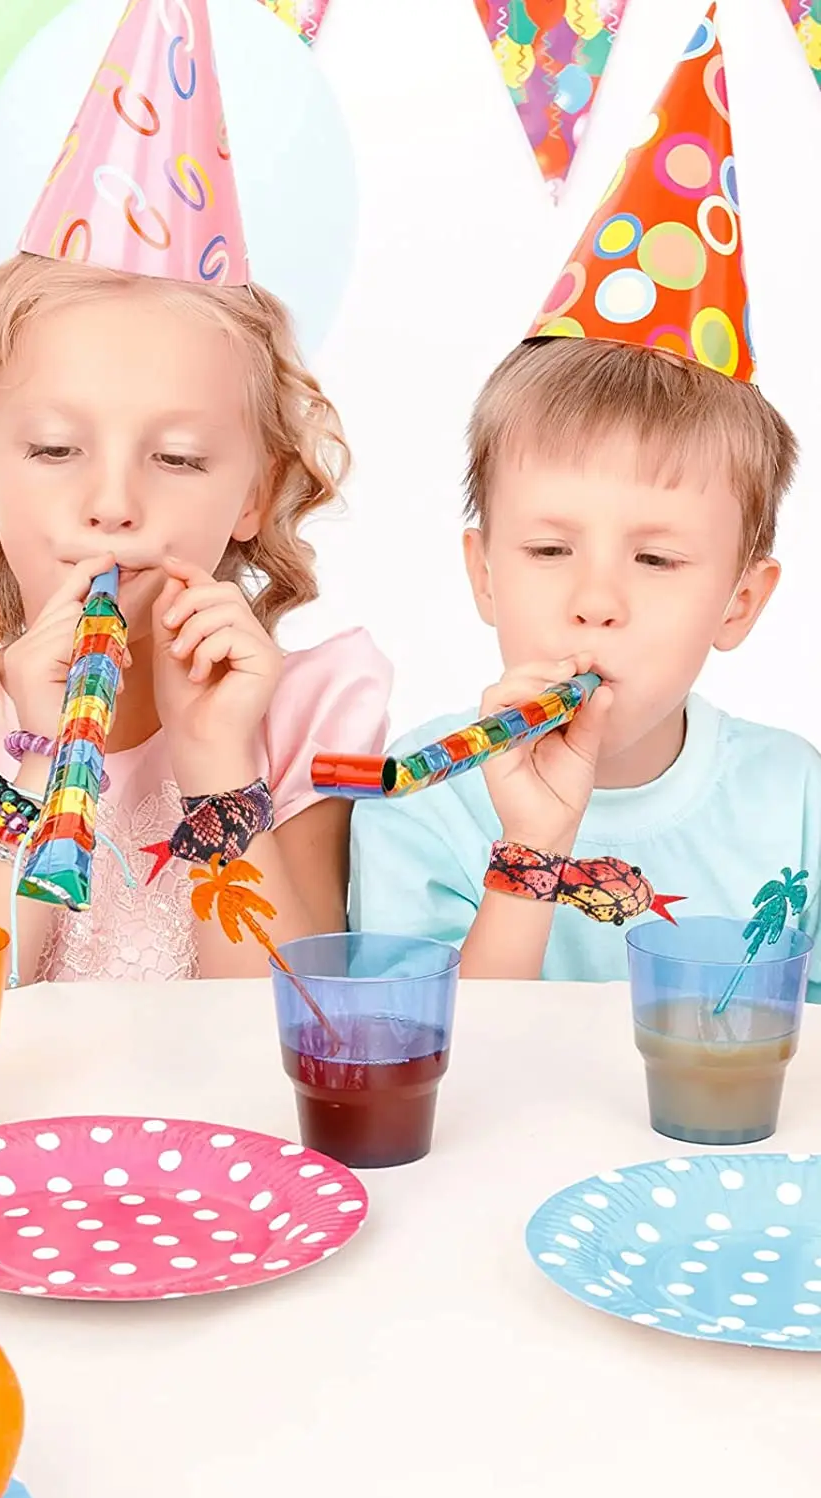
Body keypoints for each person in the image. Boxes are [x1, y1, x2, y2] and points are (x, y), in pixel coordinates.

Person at [0, 0, 391, 984]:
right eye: (57, 449)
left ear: (258, 491)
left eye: (179, 459)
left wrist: (216, 763)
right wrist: (43, 756)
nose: (113, 503)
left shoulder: (295, 722)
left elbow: (293, 1024)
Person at [349, 18, 821, 993]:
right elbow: (435, 1065)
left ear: (740, 600)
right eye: (550, 550)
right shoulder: (420, 795)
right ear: (484, 573)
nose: (596, 601)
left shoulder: (798, 799)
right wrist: (531, 852)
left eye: (656, 559)